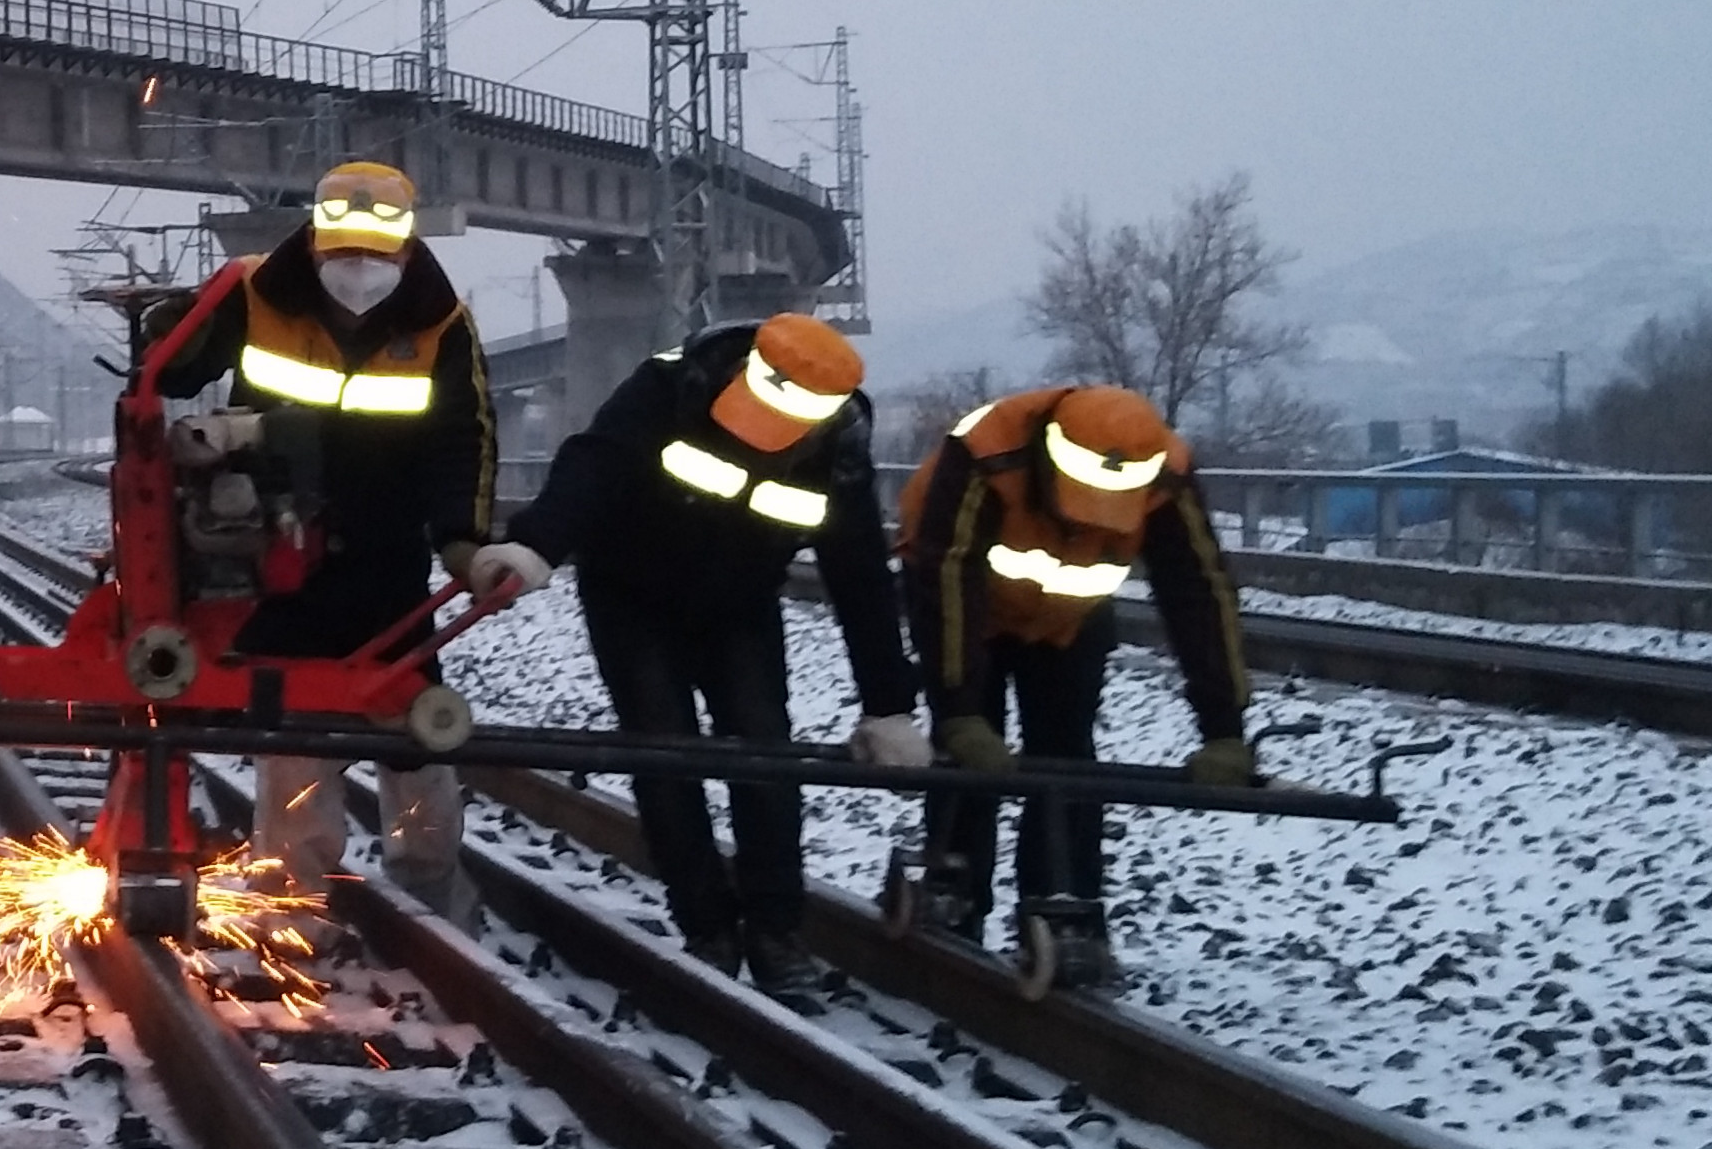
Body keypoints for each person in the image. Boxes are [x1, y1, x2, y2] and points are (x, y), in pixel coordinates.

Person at [491, 314, 922, 1002]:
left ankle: (775, 929)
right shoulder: (669, 387)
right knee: (665, 754)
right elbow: (593, 462)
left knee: (764, 754)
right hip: (631, 595)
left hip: (740, 603)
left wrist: (888, 702)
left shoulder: (837, 444)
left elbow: (860, 571)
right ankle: (706, 924)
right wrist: (535, 544)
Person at [151, 162, 495, 920]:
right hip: (272, 544)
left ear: (407, 254)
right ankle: (290, 897)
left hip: (387, 547)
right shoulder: (250, 291)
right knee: (292, 715)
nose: (359, 272)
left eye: (376, 257)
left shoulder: (439, 322)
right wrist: (169, 326)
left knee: (410, 715)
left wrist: (462, 540)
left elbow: (460, 439)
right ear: (312, 243)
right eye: (343, 255)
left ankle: (432, 888)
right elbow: (174, 374)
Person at [896, 384, 1251, 990]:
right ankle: (952, 882)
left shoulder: (1164, 472)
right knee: (972, 757)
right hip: (967, 612)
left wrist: (1224, 727)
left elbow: (1199, 589)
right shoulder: (986, 453)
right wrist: (957, 708)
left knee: (1067, 759)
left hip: (1068, 618)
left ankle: (1069, 909)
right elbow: (947, 574)